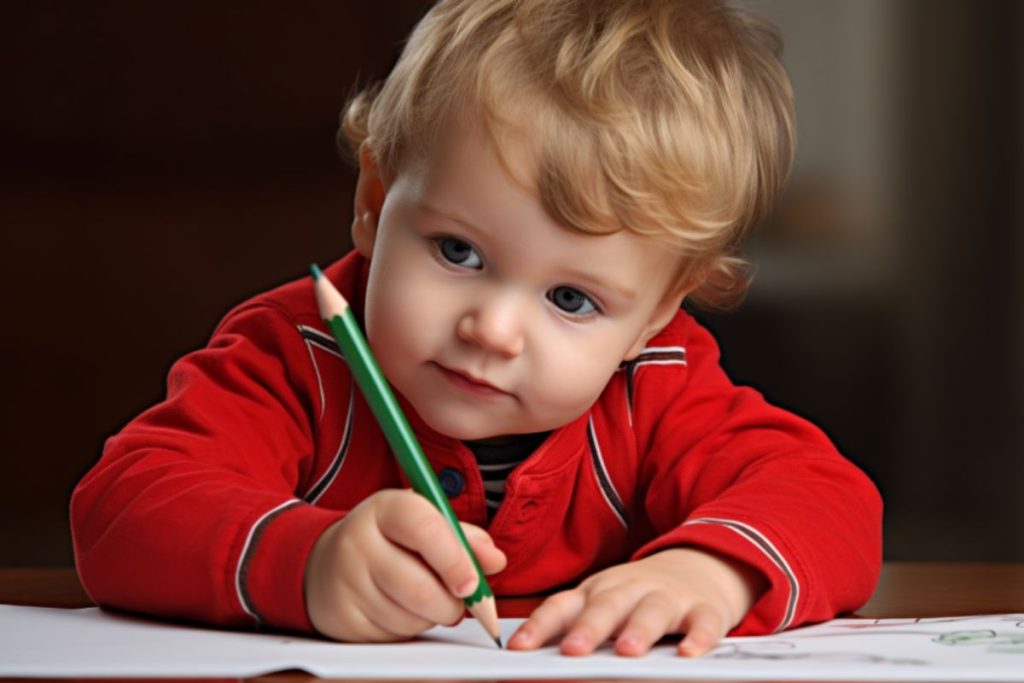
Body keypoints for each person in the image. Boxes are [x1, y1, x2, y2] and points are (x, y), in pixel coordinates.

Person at [70, 0, 882, 658]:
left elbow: (835, 502)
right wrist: (307, 563)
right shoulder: (295, 356)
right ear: (375, 204)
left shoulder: (657, 387)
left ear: (655, 319)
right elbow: (122, 506)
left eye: (572, 300)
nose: (493, 330)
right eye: (458, 251)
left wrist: (711, 571)